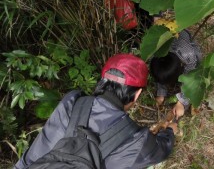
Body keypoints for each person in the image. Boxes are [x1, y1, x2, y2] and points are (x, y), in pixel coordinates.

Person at [15, 54, 177, 169]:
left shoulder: (72, 102)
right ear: (137, 95)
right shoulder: (136, 140)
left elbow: (37, 151)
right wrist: (170, 131)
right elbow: (161, 149)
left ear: (102, 81)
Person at [150, 29, 202, 119]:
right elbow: (161, 70)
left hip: (186, 45)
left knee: (197, 63)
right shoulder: (156, 53)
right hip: (172, 38)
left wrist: (181, 102)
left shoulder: (189, 57)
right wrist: (161, 94)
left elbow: (190, 81)